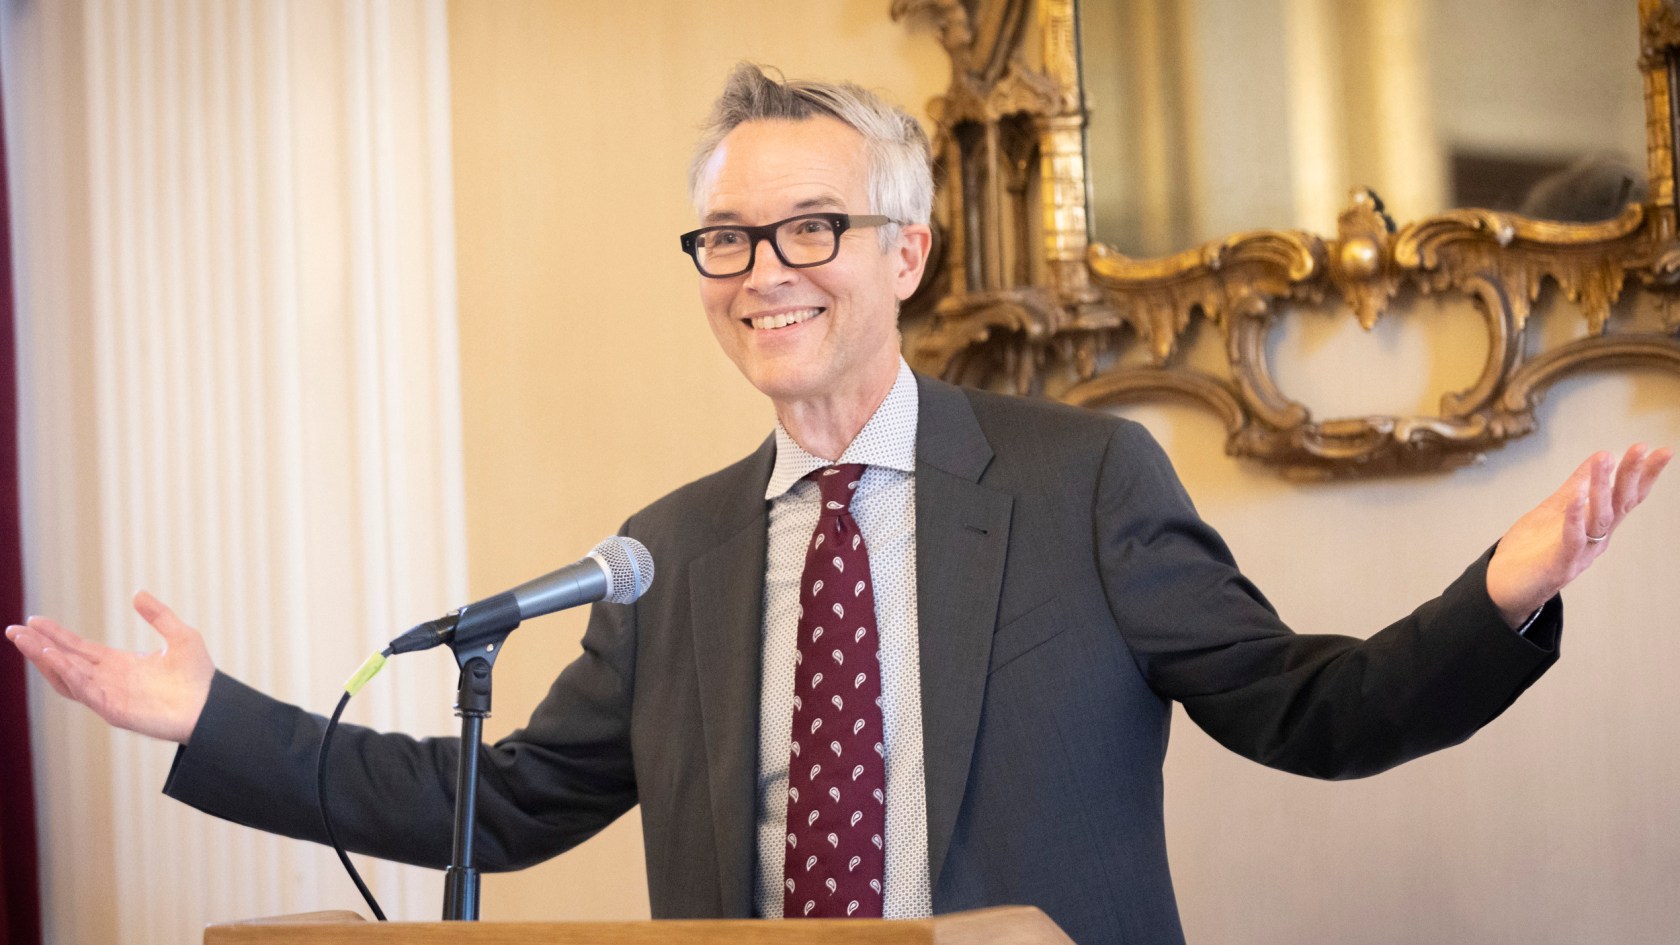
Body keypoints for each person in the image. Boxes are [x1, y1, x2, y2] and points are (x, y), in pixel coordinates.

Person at [6, 64, 1672, 945]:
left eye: (811, 227)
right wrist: (207, 717)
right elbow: (496, 804)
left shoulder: (1085, 482)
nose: (763, 273)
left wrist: (1500, 594)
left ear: (906, 253)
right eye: (728, 239)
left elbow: (1311, 710)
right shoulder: (670, 552)